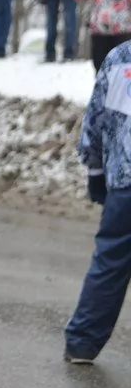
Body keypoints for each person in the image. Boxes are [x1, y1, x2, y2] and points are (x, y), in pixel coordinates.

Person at [63, 38, 131, 365]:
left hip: (125, 184)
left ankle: (82, 342)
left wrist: (96, 169)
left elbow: (96, 120)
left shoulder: (120, 58)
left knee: (110, 261)